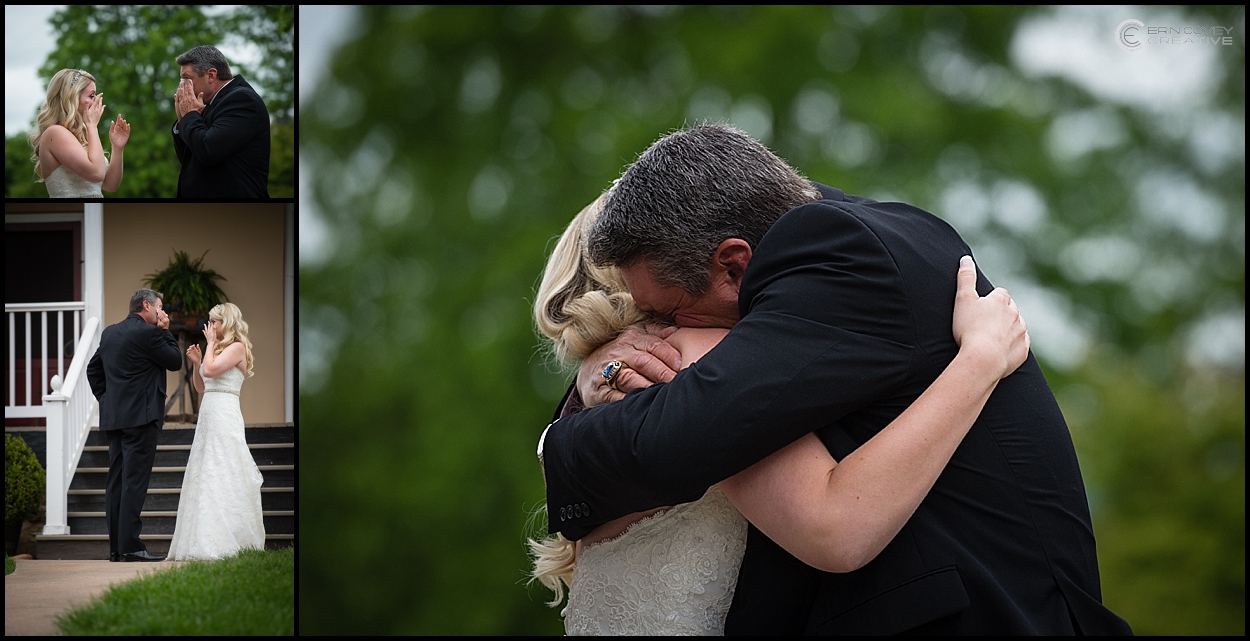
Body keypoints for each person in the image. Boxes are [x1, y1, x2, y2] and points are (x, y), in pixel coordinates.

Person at [539, 125, 1132, 634]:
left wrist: (553, 443)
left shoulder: (838, 253)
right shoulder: (824, 242)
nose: (663, 331)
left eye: (668, 312)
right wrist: (596, 377)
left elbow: (828, 525)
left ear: (732, 265)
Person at [86, 289, 182, 562]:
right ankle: (130, 546)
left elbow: (93, 369)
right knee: (134, 483)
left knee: (116, 483)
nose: (162, 313)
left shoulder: (110, 333)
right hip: (141, 419)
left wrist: (106, 400)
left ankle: (117, 548)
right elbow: (175, 361)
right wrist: (165, 330)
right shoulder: (150, 334)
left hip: (115, 419)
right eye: (160, 308)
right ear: (146, 306)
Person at [167, 303, 265, 560]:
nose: (209, 326)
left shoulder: (237, 348)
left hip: (225, 413)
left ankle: (229, 539)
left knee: (225, 468)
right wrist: (198, 361)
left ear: (227, 322)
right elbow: (202, 386)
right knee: (206, 471)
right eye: (209, 321)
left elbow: (211, 370)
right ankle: (200, 538)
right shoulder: (217, 350)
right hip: (208, 414)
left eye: (214, 322)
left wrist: (208, 349)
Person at [172, 45, 271, 198]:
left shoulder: (242, 100)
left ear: (211, 75)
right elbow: (191, 161)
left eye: (188, 79)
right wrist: (183, 120)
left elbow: (207, 149)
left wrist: (190, 115)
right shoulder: (209, 105)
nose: (182, 87)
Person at [28, 68, 129, 198]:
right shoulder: (55, 133)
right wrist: (92, 126)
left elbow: (110, 185)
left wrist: (117, 147)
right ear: (72, 97)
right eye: (92, 95)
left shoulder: (82, 134)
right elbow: (96, 173)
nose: (96, 101)